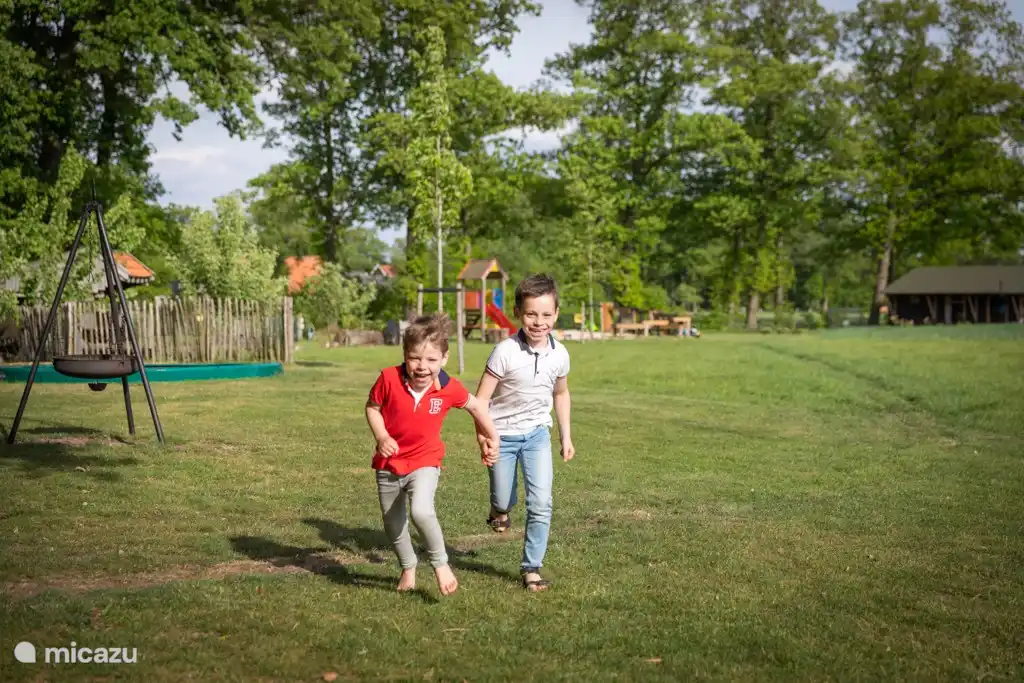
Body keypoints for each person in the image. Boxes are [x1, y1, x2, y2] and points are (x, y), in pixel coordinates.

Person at [365, 313, 499, 596]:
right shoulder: (388, 379)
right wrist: (382, 436)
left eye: (431, 360)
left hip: (425, 461)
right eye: (415, 358)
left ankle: (440, 564)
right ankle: (408, 567)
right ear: (405, 355)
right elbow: (372, 408)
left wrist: (492, 436)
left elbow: (476, 407)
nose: (422, 367)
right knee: (393, 523)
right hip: (389, 464)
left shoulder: (448, 388)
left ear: (444, 359)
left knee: (421, 510)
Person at [473, 274, 575, 592]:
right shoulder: (504, 351)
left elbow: (561, 394)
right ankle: (499, 510)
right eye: (531, 314)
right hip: (500, 435)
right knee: (503, 498)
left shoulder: (560, 355)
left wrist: (565, 436)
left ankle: (531, 568)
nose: (539, 322)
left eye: (546, 315)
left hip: (536, 435)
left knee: (541, 503)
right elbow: (481, 401)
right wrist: (483, 436)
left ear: (556, 314)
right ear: (518, 312)